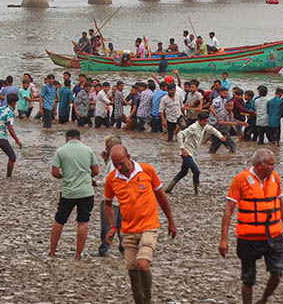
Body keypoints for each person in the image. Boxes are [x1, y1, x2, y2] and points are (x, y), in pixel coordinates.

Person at [102, 145, 177, 304]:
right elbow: (107, 204)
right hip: (128, 230)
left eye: (121, 163)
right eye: (115, 164)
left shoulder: (147, 171)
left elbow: (162, 197)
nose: (119, 167)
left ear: (129, 156)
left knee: (142, 264)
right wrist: (112, 226)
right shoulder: (112, 179)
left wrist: (171, 221)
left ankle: (147, 299)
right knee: (132, 269)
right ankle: (139, 301)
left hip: (149, 226)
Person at [219, 149, 283, 304]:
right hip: (249, 237)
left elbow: (280, 204)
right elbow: (228, 209)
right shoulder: (241, 179)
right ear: (259, 165)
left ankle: (264, 299)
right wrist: (224, 239)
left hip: (273, 235)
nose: (274, 167)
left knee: (277, 272)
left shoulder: (275, 178)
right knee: (248, 279)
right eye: (271, 164)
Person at [49, 129, 100, 260]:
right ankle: (77, 255)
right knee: (83, 222)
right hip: (86, 192)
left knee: (59, 220)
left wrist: (65, 175)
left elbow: (55, 173)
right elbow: (96, 171)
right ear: (79, 138)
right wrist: (86, 176)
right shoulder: (88, 150)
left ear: (67, 138)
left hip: (68, 191)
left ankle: (52, 252)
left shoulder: (61, 151)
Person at [168, 113, 226, 195]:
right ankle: (196, 191)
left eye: (207, 121)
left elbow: (213, 130)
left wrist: (220, 136)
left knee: (183, 172)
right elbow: (180, 135)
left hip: (191, 153)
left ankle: (169, 187)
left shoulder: (204, 126)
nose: (206, 123)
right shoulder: (193, 127)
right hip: (186, 153)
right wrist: (182, 148)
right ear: (199, 120)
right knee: (196, 172)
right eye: (204, 121)